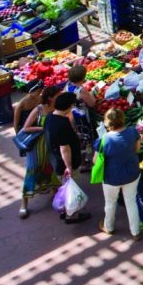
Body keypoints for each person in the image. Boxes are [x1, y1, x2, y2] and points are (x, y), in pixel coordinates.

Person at [96, 108, 142, 239]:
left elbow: (96, 160)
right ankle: (135, 232)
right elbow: (137, 148)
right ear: (123, 120)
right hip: (132, 173)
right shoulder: (133, 132)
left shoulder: (104, 139)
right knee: (131, 201)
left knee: (110, 203)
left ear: (107, 123)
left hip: (112, 177)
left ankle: (108, 227)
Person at [17, 83, 59, 219]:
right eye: (58, 95)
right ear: (51, 98)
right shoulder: (39, 109)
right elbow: (26, 128)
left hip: (50, 145)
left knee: (51, 168)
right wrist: (43, 128)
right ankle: (24, 204)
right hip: (37, 146)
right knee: (32, 170)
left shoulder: (58, 108)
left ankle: (55, 191)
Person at [47, 92, 88, 223]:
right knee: (71, 189)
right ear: (68, 106)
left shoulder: (50, 117)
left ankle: (65, 210)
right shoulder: (61, 125)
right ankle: (72, 215)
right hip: (63, 163)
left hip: (55, 160)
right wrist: (69, 167)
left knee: (65, 187)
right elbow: (64, 148)